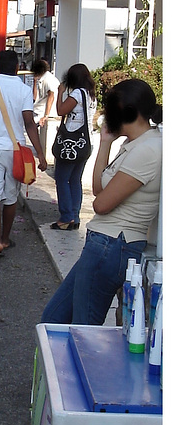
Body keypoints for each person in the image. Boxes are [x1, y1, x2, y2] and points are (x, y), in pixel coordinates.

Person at [41, 78, 162, 326]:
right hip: (103, 243)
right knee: (54, 318)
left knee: (84, 328)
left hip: (113, 244)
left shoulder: (149, 149)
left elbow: (101, 205)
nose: (107, 114)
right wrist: (106, 142)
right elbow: (98, 189)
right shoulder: (133, 143)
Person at [0, 50, 47, 260]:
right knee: (11, 195)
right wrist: (40, 154)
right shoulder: (24, 90)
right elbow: (29, 122)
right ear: (17, 67)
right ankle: (6, 238)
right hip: (17, 150)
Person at [50, 63, 97, 230]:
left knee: (62, 179)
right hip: (86, 143)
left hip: (71, 144)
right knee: (75, 180)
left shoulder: (77, 93)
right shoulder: (91, 95)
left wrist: (61, 92)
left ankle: (66, 217)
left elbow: (61, 111)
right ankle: (74, 216)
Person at [31, 59, 60, 127]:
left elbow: (51, 96)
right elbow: (34, 97)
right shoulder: (42, 79)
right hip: (39, 111)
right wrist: (34, 82)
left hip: (42, 113)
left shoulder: (48, 79)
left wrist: (46, 115)